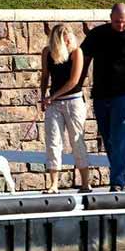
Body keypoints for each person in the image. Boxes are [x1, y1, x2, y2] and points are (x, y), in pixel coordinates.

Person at [80, 3, 125, 192]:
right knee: (109, 139)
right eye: (117, 21)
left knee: (121, 138)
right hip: (102, 94)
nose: (121, 25)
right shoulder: (97, 35)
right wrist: (77, 86)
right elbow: (83, 61)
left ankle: (118, 182)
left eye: (124, 22)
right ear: (110, 17)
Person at [40, 24, 91, 194]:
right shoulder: (47, 52)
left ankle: (85, 182)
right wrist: (43, 96)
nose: (68, 40)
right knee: (53, 141)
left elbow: (74, 81)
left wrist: (52, 96)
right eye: (64, 37)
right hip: (53, 103)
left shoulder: (77, 53)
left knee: (76, 140)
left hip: (73, 101)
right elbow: (45, 76)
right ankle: (54, 184)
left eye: (69, 36)